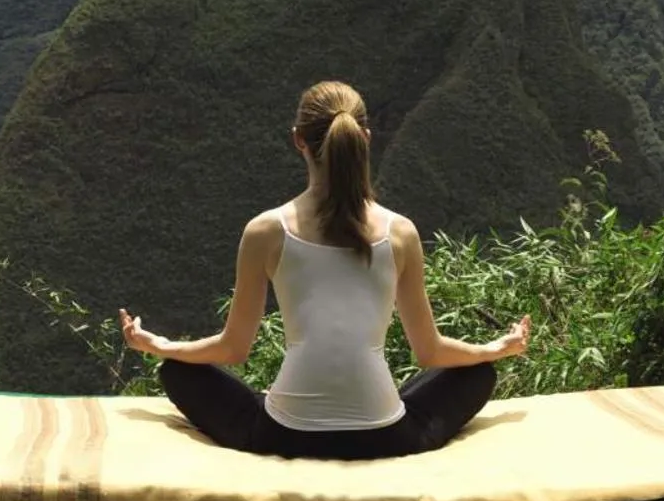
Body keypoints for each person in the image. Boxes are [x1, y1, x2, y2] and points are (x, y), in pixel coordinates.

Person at [117, 80, 531, 460]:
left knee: (178, 372)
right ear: (365, 139)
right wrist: (494, 349)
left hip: (283, 434)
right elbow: (430, 352)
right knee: (476, 374)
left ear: (299, 141)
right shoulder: (401, 233)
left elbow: (233, 350)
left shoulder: (266, 230)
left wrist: (162, 346)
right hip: (387, 437)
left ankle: (287, 402)